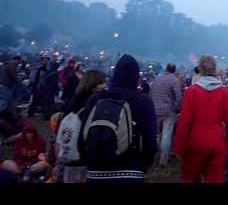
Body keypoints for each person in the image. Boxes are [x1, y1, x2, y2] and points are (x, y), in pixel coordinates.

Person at [78, 54, 158, 184]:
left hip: (96, 174)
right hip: (131, 172)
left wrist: (91, 164)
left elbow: (82, 139)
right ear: (135, 76)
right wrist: (142, 168)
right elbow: (151, 144)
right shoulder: (143, 101)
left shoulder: (96, 99)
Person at [172, 55, 228, 183]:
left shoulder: (192, 91)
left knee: (190, 177)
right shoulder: (224, 92)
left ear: (199, 69)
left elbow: (185, 122)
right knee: (215, 178)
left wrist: (178, 148)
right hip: (217, 141)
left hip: (195, 141)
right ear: (215, 69)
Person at [58, 70, 107, 183]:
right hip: (82, 155)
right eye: (102, 83)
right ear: (93, 84)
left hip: (68, 152)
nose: (104, 86)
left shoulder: (75, 98)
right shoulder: (92, 102)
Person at [150, 63, 183, 166]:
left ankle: (155, 156)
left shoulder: (157, 78)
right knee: (166, 135)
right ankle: (163, 160)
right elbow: (179, 97)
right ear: (174, 70)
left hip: (154, 109)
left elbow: (151, 93)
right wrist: (179, 109)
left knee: (158, 134)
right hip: (168, 110)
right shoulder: (174, 80)